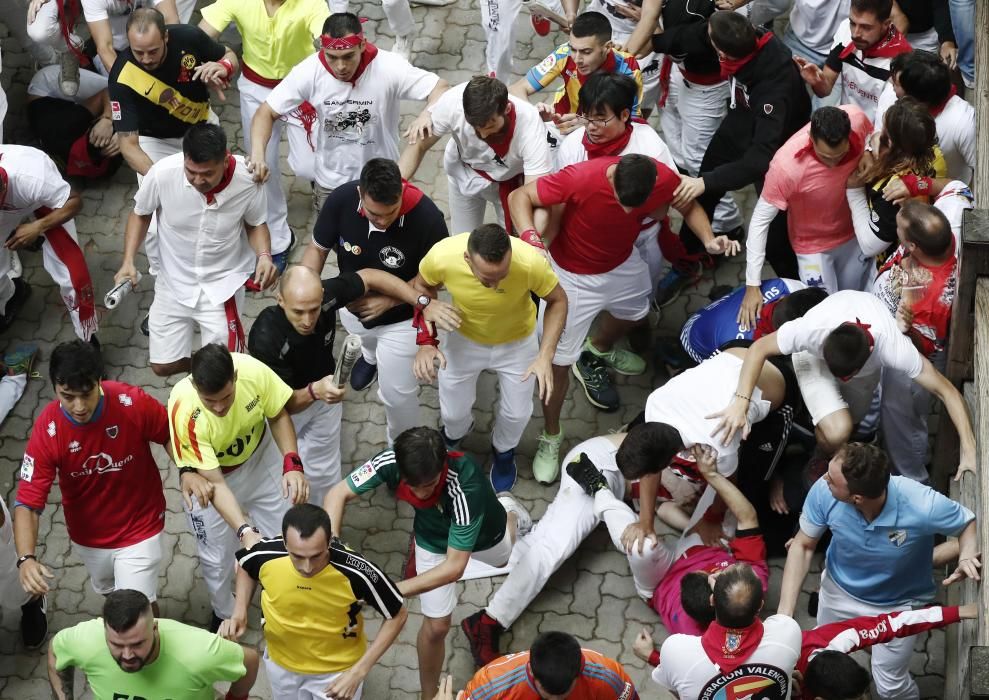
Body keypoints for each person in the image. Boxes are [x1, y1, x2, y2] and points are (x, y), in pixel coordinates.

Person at [508, 154, 737, 486]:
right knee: (556, 363)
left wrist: (707, 239)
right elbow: (520, 197)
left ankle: (597, 348)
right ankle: (551, 434)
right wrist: (531, 239)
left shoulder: (662, 177)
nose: (628, 212)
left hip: (622, 264)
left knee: (637, 312)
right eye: (621, 203)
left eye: (635, 208)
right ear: (612, 175)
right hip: (571, 278)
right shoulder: (579, 177)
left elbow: (687, 207)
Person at [324, 427, 531, 700]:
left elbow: (455, 568)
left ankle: (510, 509)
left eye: (430, 485)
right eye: (414, 486)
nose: (421, 494)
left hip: (485, 538)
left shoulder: (465, 484)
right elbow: (336, 495)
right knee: (437, 627)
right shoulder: (390, 461)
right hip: (431, 539)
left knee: (505, 554)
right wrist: (333, 553)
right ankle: (428, 695)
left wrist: (388, 589)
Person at [14, 340, 213, 622]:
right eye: (67, 396)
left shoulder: (130, 402)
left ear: (100, 381)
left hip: (140, 525)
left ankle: (152, 648)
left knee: (135, 608)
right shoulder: (47, 430)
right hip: (89, 538)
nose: (79, 406)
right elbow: (28, 503)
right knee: (115, 596)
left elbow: (168, 434)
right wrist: (26, 558)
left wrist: (186, 470)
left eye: (86, 394)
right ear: (55, 389)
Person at [778, 442, 980, 699]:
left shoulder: (921, 502)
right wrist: (784, 617)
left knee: (890, 685)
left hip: (897, 605)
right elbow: (804, 546)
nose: (823, 479)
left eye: (831, 479)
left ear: (857, 498)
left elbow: (966, 522)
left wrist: (966, 555)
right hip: (837, 593)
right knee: (825, 669)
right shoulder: (823, 491)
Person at [249, 265, 461, 504]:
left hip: (326, 397)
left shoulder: (327, 295)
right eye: (298, 312)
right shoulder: (265, 338)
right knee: (283, 475)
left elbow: (369, 277)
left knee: (324, 469)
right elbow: (280, 408)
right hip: (287, 409)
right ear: (280, 300)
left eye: (314, 309)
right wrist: (313, 391)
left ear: (321, 295)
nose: (308, 320)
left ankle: (324, 524)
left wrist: (422, 302)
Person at [714, 290, 977, 466]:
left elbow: (947, 392)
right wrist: (741, 400)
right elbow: (758, 349)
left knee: (848, 425)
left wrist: (968, 447)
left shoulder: (893, 347)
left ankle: (823, 441)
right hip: (813, 358)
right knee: (837, 430)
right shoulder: (811, 328)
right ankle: (820, 459)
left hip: (863, 374)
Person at [663, 10, 809, 303]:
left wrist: (705, 182)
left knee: (776, 239)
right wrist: (639, 45)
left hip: (778, 149)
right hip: (741, 119)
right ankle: (692, 256)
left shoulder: (773, 87)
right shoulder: (736, 32)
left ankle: (799, 297)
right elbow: (687, 37)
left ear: (722, 54)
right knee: (703, 189)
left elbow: (759, 160)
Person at [302, 158, 449, 444]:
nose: (382, 221)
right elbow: (317, 250)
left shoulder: (429, 219)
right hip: (352, 311)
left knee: (397, 396)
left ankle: (400, 448)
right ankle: (370, 358)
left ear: (402, 194)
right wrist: (306, 292)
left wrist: (389, 301)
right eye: (373, 214)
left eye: (390, 213)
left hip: (403, 320)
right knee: (364, 341)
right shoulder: (341, 199)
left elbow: (436, 282)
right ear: (360, 194)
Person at [114, 123, 278, 377]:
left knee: (225, 371)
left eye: (207, 174)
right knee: (162, 366)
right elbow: (140, 214)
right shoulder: (162, 173)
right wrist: (128, 261)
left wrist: (264, 256)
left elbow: (256, 224)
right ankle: (204, 371)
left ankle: (218, 377)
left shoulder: (248, 181)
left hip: (222, 287)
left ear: (225, 161)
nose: (198, 180)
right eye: (191, 172)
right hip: (173, 282)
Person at [414, 224, 567, 490]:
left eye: (502, 275)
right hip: (464, 338)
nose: (495, 285)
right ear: (466, 260)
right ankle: (454, 435)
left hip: (517, 343)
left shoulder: (529, 261)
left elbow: (558, 300)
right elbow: (421, 286)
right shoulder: (442, 255)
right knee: (452, 411)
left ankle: (504, 451)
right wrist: (428, 332)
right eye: (487, 279)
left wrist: (545, 354)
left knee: (518, 413)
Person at [168, 343, 309, 627]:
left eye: (226, 397)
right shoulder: (184, 409)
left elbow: (278, 414)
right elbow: (216, 483)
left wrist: (292, 464)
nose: (219, 407)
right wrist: (244, 530)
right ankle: (225, 614)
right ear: (195, 386)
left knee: (286, 534)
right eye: (210, 401)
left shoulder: (254, 371)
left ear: (235, 375)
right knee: (216, 557)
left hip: (259, 458)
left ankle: (288, 599)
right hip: (212, 480)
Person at [249, 12, 448, 213]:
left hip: (380, 180)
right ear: (323, 48)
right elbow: (265, 113)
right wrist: (258, 154)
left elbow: (440, 87)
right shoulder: (309, 71)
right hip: (330, 182)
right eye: (332, 57)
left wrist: (427, 114)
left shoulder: (390, 67)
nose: (341, 66)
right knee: (333, 242)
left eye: (348, 56)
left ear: (363, 45)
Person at [221, 504, 407, 700]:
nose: (307, 567)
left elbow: (398, 613)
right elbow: (246, 565)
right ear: (284, 543)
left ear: (329, 542)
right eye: (298, 556)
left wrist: (359, 672)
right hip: (281, 664)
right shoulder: (266, 553)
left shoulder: (357, 571)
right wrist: (239, 612)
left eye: (316, 556)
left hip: (336, 672)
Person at [617, 346, 800, 539]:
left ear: (667, 463)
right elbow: (650, 468)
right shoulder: (654, 403)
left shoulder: (719, 440)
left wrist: (711, 520)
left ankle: (778, 472)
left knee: (755, 480)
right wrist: (645, 523)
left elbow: (727, 487)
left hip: (775, 380)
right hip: (733, 353)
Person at [198, 0, 330, 268]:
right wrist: (217, 62)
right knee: (260, 167)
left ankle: (322, 184)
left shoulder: (312, 2)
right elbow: (198, 37)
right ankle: (280, 240)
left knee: (307, 167)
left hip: (299, 92)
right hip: (256, 90)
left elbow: (330, 37)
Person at [741, 105, 874, 320]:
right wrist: (752, 284)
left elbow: (873, 134)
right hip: (812, 248)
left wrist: (868, 150)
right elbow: (759, 221)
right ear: (810, 137)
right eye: (825, 157)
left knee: (855, 300)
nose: (833, 164)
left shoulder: (857, 117)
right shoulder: (786, 166)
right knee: (825, 313)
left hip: (853, 236)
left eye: (840, 156)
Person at [555, 73, 676, 294]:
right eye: (587, 117)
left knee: (643, 296)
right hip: (591, 244)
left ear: (624, 115)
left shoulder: (650, 146)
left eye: (600, 119)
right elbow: (560, 203)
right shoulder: (572, 146)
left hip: (641, 240)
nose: (591, 127)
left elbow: (665, 205)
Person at [645, 0, 745, 253]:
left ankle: (727, 223)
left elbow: (665, 43)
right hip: (680, 74)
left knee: (699, 160)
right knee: (677, 146)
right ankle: (691, 193)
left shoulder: (704, 16)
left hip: (706, 89)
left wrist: (649, 19)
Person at [399, 75, 553, 237]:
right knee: (462, 240)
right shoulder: (454, 102)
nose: (483, 135)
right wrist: (396, 186)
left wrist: (531, 239)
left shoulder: (530, 125)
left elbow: (535, 195)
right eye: (475, 127)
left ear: (507, 109)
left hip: (508, 184)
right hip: (464, 171)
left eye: (491, 125)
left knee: (512, 245)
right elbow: (419, 144)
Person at [48, 589, 259, 700]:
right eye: (116, 645)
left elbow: (250, 661)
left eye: (137, 643)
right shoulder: (87, 640)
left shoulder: (199, 651)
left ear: (155, 628)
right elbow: (56, 652)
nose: (127, 655)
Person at [873, 201, 956, 481]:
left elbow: (924, 350)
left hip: (908, 365)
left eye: (898, 229)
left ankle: (914, 479)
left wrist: (905, 331)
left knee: (902, 423)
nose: (895, 231)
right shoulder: (944, 241)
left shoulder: (928, 300)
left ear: (912, 247)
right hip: (897, 335)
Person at [109, 8, 236, 184]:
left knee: (220, 184)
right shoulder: (121, 75)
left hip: (200, 125)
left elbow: (229, 54)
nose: (146, 59)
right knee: (161, 199)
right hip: (155, 141)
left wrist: (225, 67)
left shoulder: (189, 37)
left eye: (153, 51)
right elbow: (128, 145)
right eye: (138, 52)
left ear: (166, 37)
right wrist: (160, 179)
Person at [645, 562, 802, 699]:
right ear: (760, 606)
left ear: (712, 600)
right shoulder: (786, 635)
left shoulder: (676, 650)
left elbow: (679, 692)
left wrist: (722, 594)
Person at [0, 143, 98, 340]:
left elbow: (75, 203)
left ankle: (87, 339)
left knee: (70, 273)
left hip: (43, 201)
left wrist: (38, 227)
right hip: (10, 207)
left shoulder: (33, 176)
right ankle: (11, 294)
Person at [794, 604, 975, 700]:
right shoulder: (771, 687)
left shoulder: (834, 639)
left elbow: (895, 624)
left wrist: (959, 612)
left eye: (864, 694)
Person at [847, 97, 947, 259]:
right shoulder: (931, 151)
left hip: (896, 258)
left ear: (891, 143)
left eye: (884, 132)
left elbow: (869, 246)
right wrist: (869, 147)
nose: (879, 134)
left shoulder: (892, 191)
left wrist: (854, 191)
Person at [510, 11, 644, 130]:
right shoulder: (564, 53)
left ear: (607, 47)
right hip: (561, 124)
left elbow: (633, 123)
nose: (577, 59)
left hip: (602, 131)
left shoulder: (628, 68)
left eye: (586, 52)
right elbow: (516, 89)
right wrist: (534, 113)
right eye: (573, 49)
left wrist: (587, 123)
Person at [794, 0, 911, 122]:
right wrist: (817, 82)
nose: (855, 34)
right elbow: (825, 89)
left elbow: (890, 124)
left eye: (866, 27)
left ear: (886, 24)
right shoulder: (845, 29)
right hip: (845, 124)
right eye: (853, 23)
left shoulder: (900, 64)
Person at [874, 49, 975, 183]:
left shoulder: (964, 122)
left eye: (897, 84)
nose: (892, 85)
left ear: (916, 98)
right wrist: (871, 146)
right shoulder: (891, 94)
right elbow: (878, 135)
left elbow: (983, 171)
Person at [444, 631, 638, 699]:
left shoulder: (610, 679)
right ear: (531, 670)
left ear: (580, 670)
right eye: (547, 693)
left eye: (562, 695)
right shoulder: (489, 687)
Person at [677, 282, 827, 364]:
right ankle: (674, 360)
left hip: (717, 317)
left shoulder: (785, 286)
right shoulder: (741, 348)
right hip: (692, 337)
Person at [25, 65, 122, 180]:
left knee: (119, 90)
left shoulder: (72, 125)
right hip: (57, 114)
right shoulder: (105, 170)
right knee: (122, 98)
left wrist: (108, 119)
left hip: (45, 87)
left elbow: (112, 90)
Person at [82, 0, 180, 74]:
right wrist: (133, 83)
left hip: (150, 43)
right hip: (116, 49)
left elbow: (171, 21)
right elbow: (105, 47)